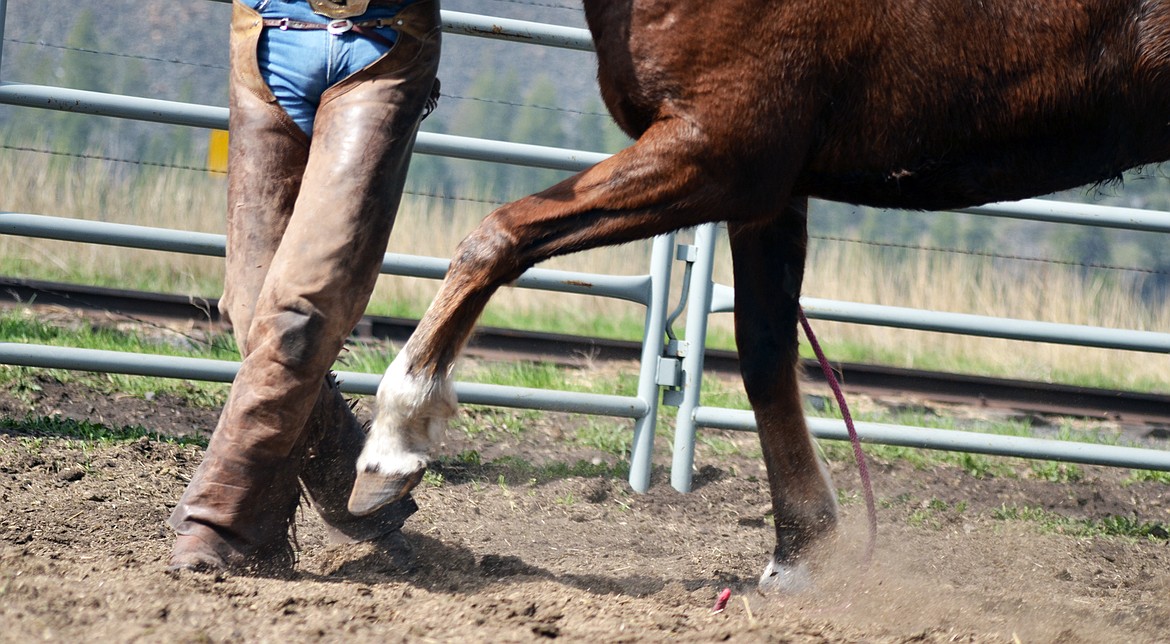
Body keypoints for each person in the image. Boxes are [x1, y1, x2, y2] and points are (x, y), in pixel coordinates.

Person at [167, 0, 441, 573]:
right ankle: (359, 500)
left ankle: (219, 524)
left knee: (298, 316)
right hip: (266, 40)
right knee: (254, 316)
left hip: (380, 47)